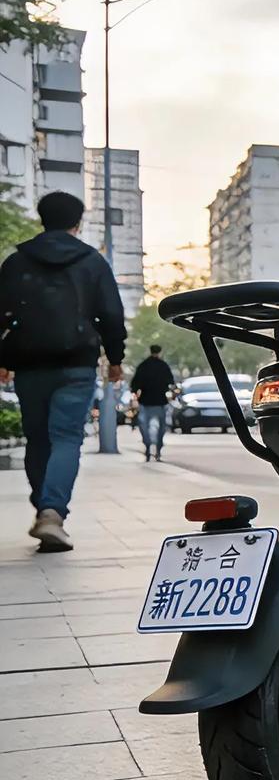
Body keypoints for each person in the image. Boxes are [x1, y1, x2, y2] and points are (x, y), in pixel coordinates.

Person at [0, 191, 127, 552]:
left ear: (41, 218)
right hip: (76, 362)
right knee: (67, 437)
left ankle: (44, 507)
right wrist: (114, 358)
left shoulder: (16, 262)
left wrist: (4, 358)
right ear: (78, 221)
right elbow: (111, 315)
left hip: (29, 364)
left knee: (37, 439)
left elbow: (3, 315)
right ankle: (52, 513)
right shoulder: (92, 262)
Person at [131, 344, 176, 462]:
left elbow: (135, 384)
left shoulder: (143, 366)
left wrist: (136, 394)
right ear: (160, 352)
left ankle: (147, 447)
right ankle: (158, 451)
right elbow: (171, 382)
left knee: (144, 427)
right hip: (160, 402)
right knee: (161, 428)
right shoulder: (163, 366)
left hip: (145, 402)